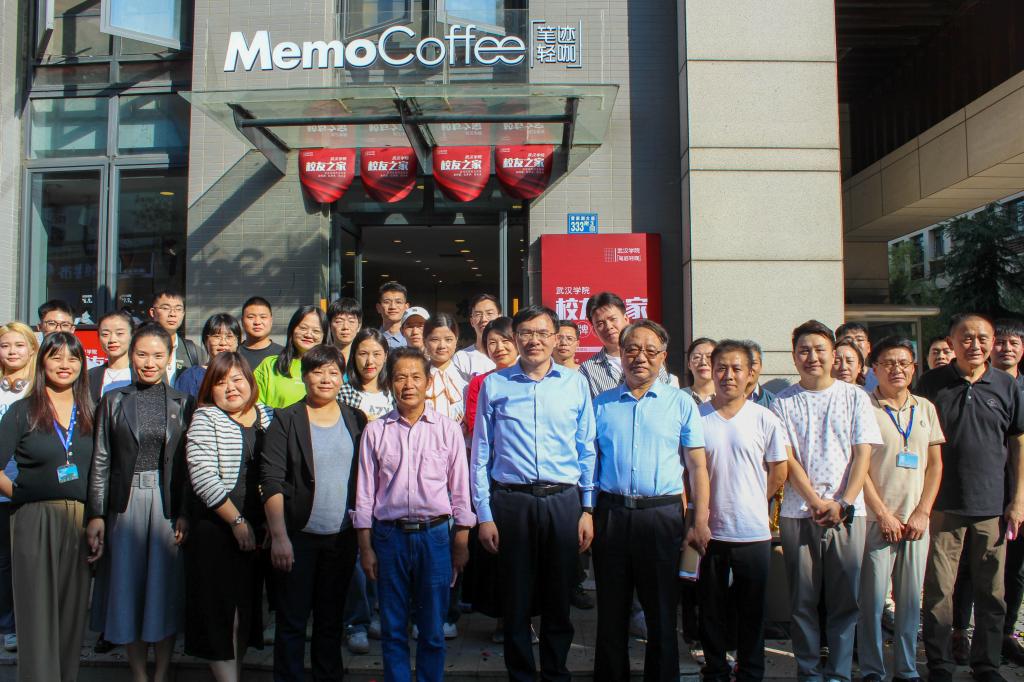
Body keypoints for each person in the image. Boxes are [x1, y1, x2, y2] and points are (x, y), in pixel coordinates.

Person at [471, 304, 596, 682]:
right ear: (515, 338)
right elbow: (480, 454)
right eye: (526, 333)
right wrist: (484, 514)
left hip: (563, 501)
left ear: (556, 338)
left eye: (543, 333)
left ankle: (556, 672)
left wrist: (587, 508)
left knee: (559, 596)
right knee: (516, 598)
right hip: (512, 502)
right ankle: (521, 674)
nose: (534, 341)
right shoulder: (495, 384)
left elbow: (586, 448)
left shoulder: (575, 383)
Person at [591, 320, 709, 682]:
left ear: (663, 357)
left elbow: (697, 465)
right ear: (621, 354)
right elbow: (590, 463)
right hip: (611, 514)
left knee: (661, 613)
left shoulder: (681, 403)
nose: (640, 357)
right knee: (611, 612)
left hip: (662, 515)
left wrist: (699, 520)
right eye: (632, 349)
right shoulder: (601, 404)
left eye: (650, 351)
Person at [354, 347, 476, 681]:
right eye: (400, 377)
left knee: (432, 630)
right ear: (390, 383)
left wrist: (461, 540)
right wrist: (365, 547)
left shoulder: (447, 430)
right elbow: (364, 495)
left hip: (435, 538)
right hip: (388, 537)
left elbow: (460, 491)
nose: (408, 384)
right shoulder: (375, 431)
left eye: (415, 377)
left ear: (427, 381)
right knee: (393, 628)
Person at [771, 320, 882, 682]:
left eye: (820, 349)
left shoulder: (856, 397)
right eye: (804, 350)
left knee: (845, 600)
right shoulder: (782, 401)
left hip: (848, 513)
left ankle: (839, 673)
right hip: (798, 512)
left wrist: (843, 502)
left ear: (834, 354)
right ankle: (808, 671)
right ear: (794, 357)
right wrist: (815, 501)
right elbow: (787, 458)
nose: (812, 357)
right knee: (802, 600)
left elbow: (862, 454)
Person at [918, 313, 1024, 682]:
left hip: (992, 506)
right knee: (938, 592)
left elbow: (1018, 443)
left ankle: (987, 664)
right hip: (942, 505)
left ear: (992, 342)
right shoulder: (932, 384)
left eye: (983, 338)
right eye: (966, 338)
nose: (975, 345)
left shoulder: (1006, 386)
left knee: (992, 593)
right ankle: (940, 664)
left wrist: (1018, 500)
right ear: (952, 342)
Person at [87, 323, 195, 682]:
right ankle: (138, 674)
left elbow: (186, 465)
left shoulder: (183, 402)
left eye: (158, 355)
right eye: (142, 354)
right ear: (131, 356)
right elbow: (101, 459)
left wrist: (184, 512)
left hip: (166, 504)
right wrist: (97, 514)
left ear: (169, 357)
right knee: (127, 589)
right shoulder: (114, 400)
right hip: (125, 502)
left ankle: (161, 673)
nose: (150, 362)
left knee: (163, 591)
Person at [260, 344, 366, 682]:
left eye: (333, 372)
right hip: (298, 537)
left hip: (341, 538)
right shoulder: (286, 419)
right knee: (292, 622)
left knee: (330, 621)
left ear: (342, 377)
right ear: (305, 376)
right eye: (318, 372)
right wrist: (279, 537)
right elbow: (272, 480)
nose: (325, 379)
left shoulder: (355, 418)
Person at [0, 332, 92, 682]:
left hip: (80, 521)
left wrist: (97, 519)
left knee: (71, 615)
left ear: (82, 365)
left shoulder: (92, 410)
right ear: (42, 362)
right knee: (37, 614)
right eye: (56, 357)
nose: (65, 365)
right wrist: (20, 493)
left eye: (73, 358)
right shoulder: (22, 411)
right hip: (34, 517)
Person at [697, 340, 789, 682]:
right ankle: (715, 668)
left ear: (751, 373)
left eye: (737, 368)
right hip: (709, 530)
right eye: (721, 368)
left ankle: (751, 670)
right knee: (711, 607)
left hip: (753, 531)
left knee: (752, 609)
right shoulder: (697, 417)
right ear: (711, 371)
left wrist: (754, 499)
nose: (728, 375)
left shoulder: (764, 418)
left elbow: (779, 470)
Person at [856, 337, 944, 682]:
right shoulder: (864, 406)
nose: (897, 369)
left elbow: (935, 465)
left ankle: (906, 669)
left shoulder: (925, 408)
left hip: (916, 522)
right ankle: (872, 669)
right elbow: (858, 467)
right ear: (874, 369)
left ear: (914, 368)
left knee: (909, 602)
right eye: (888, 363)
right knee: (872, 601)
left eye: (904, 363)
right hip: (876, 520)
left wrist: (923, 511)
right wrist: (882, 514)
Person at [185, 352, 274, 682]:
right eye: (220, 382)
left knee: (244, 613)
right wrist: (236, 522)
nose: (231, 388)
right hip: (217, 528)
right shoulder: (205, 418)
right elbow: (202, 476)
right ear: (210, 388)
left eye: (237, 379)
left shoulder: (267, 415)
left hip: (257, 526)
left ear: (250, 381)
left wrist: (269, 521)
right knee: (220, 614)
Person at [0, 322, 38, 652]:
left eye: (18, 345)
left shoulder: (39, 389)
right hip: (1, 488)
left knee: (25, 560)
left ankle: (26, 622)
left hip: (30, 487)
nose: (12, 351)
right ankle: (7, 626)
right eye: (5, 345)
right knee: (3, 561)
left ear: (32, 350)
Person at [992, 319, 1024, 663]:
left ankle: (1006, 634)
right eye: (1001, 342)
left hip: (1021, 491)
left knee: (1016, 568)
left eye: (1014, 343)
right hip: (987, 488)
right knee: (977, 568)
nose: (1006, 348)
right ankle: (964, 633)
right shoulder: (982, 386)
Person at [253, 305, 327, 409]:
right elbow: (254, 405)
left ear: (324, 336)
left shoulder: (330, 369)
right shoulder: (270, 365)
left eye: (316, 331)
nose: (308, 334)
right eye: (303, 328)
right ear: (292, 329)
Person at [463, 317, 517, 439]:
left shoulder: (530, 377)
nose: (499, 347)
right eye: (492, 343)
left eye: (505, 340)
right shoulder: (479, 382)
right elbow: (474, 425)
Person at [175, 313, 242, 397]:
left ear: (237, 341)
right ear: (206, 340)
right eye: (217, 336)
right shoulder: (191, 377)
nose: (223, 342)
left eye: (229, 337)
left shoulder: (244, 373)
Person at [339, 328, 396, 421]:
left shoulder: (394, 393)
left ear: (385, 356)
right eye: (363, 354)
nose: (369, 361)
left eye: (376, 354)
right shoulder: (344, 393)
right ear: (354, 356)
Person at [148, 290, 201, 383]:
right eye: (165, 308)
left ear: (183, 313)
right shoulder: (139, 348)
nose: (172, 314)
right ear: (152, 312)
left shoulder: (194, 351)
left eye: (178, 309)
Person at [424, 313, 467, 424]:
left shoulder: (466, 380)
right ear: (425, 341)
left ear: (456, 340)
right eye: (435, 339)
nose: (442, 346)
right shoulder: (417, 379)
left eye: (448, 339)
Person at [451, 294, 501, 382]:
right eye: (478, 314)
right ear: (471, 321)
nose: (484, 319)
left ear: (499, 317)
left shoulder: (511, 356)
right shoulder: (461, 358)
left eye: (489, 313)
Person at [89, 311, 135, 403]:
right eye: (105, 334)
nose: (112, 339)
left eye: (119, 333)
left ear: (132, 335)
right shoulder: (90, 377)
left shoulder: (142, 374)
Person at [238, 297, 283, 371]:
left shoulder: (284, 354)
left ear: (271, 321)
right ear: (242, 321)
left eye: (263, 317)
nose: (257, 322)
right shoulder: (233, 353)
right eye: (251, 317)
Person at [836, 321, 876, 390]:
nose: (854, 343)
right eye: (848, 340)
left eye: (859, 339)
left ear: (868, 347)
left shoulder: (880, 376)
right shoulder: (828, 378)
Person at [327, 297, 363, 368]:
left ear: (359, 326)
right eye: (339, 321)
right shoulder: (322, 358)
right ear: (329, 325)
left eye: (351, 321)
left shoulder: (363, 359)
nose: (345, 327)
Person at [683, 337, 717, 404]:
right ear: (689, 365)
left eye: (709, 357)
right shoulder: (678, 397)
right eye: (697, 357)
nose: (703, 362)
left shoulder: (727, 397)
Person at [378, 281, 410, 350]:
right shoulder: (371, 340)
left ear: (406, 307)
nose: (393, 307)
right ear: (378, 308)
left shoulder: (412, 340)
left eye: (398, 302)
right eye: (387, 302)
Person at [745, 340, 776, 407]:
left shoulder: (773, 402)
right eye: (744, 363)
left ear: (761, 366)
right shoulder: (724, 399)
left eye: (753, 363)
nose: (749, 368)